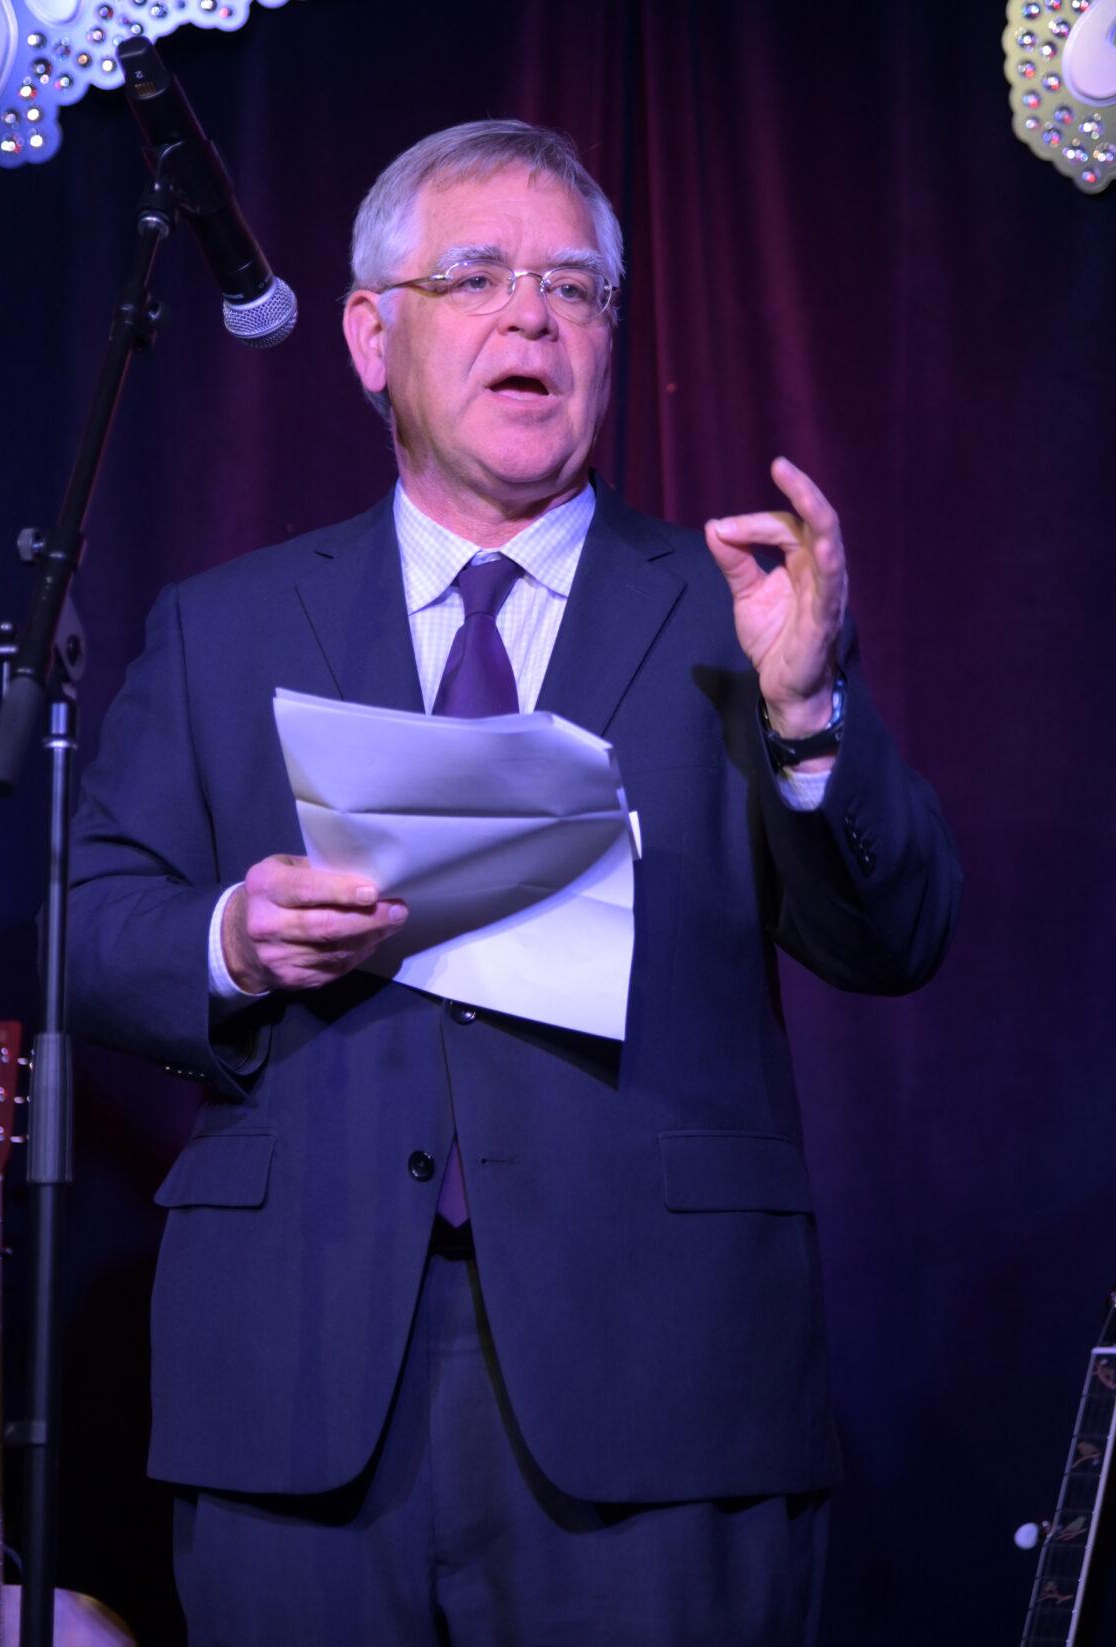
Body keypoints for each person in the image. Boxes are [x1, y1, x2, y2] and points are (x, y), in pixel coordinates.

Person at [67, 119, 960, 1646]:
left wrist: (809, 719)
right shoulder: (225, 626)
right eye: (475, 275)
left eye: (574, 288)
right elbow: (90, 926)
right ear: (371, 333)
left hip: (658, 1390)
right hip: (299, 1378)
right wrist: (231, 934)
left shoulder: (729, 611)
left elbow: (898, 936)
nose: (531, 315)